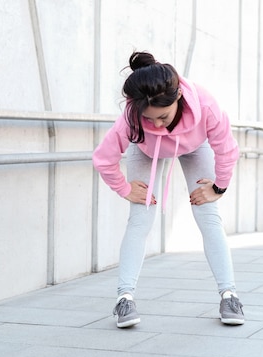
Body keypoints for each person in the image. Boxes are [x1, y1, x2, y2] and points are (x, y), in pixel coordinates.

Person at [92, 51, 244, 328]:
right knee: (140, 218)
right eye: (150, 119)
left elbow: (227, 149)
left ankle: (230, 295)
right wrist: (124, 188)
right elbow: (103, 158)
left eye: (162, 117)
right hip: (147, 150)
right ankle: (124, 298)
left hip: (196, 147)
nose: (157, 124)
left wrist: (219, 187)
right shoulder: (132, 118)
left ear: (177, 99)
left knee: (208, 215)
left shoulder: (205, 104)